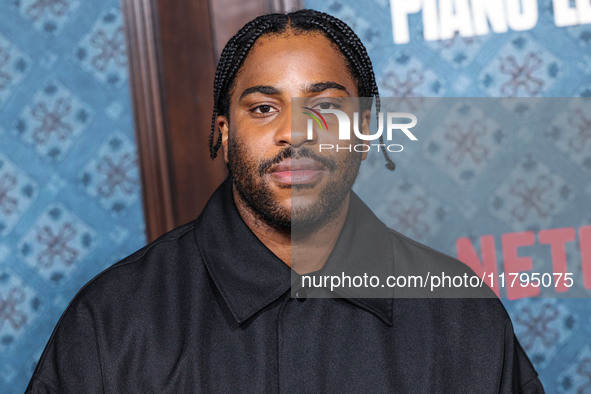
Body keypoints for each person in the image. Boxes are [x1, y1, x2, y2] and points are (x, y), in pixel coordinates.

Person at [26, 9, 544, 393]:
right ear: (224, 134)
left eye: (323, 106)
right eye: (264, 107)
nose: (295, 133)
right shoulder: (114, 319)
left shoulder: (460, 313)